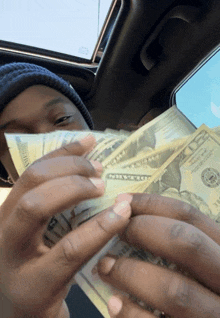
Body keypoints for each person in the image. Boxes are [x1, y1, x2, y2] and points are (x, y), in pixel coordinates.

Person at [0, 62, 219, 318]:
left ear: (90, 128)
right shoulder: (15, 282)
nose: (47, 144)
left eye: (61, 120)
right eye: (16, 140)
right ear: (7, 173)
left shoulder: (186, 203)